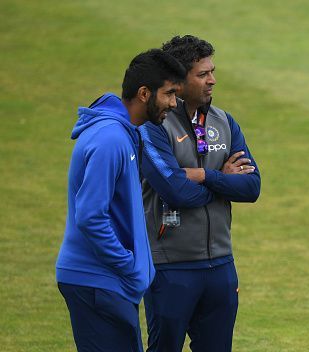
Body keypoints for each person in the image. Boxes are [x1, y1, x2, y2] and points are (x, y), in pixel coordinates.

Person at [55, 49, 186, 352]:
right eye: (168, 94)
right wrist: (128, 266)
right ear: (144, 93)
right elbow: (90, 216)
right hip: (99, 281)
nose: (173, 103)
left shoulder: (123, 133)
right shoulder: (110, 139)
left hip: (105, 282)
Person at [140, 35, 261, 352]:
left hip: (221, 266)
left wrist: (205, 175)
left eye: (212, 72)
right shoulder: (154, 125)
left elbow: (251, 187)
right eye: (203, 74)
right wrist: (223, 181)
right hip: (170, 267)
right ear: (178, 80)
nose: (213, 81)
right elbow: (176, 192)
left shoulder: (224, 121)